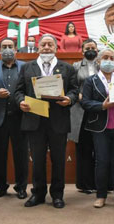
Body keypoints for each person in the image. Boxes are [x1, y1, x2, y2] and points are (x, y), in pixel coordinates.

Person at [15, 34, 79, 209]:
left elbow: (74, 90)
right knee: (37, 159)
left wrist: (70, 99)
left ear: (56, 48)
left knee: (59, 159)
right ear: (38, 47)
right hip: (34, 119)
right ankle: (38, 193)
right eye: (43, 44)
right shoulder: (27, 68)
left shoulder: (67, 68)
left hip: (58, 120)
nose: (47, 47)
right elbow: (18, 91)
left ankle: (58, 195)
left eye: (50, 44)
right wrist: (21, 101)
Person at [81, 48, 114, 209]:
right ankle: (101, 195)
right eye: (105, 57)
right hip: (100, 128)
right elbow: (85, 102)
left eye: (112, 58)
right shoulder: (91, 81)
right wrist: (102, 106)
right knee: (102, 161)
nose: (109, 60)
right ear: (98, 61)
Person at [0, 38, 28, 200]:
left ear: (16, 49)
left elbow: (29, 88)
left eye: (10, 46)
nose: (7, 49)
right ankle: (0, 186)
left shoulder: (25, 66)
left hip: (20, 117)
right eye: (4, 47)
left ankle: (21, 186)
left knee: (21, 153)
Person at [71, 38, 98, 194]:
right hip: (80, 111)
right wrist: (79, 95)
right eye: (87, 47)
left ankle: (100, 182)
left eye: (93, 47)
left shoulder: (102, 65)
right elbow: (72, 86)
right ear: (82, 51)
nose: (90, 50)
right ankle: (84, 184)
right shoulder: (75, 66)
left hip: (98, 110)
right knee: (83, 148)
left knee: (99, 147)